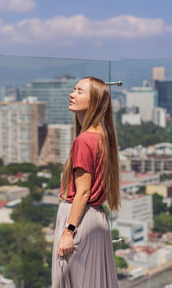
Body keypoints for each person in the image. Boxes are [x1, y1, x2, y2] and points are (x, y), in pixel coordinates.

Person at [52, 76, 120, 288]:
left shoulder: (84, 140)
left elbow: (83, 193)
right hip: (97, 220)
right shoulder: (104, 136)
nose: (72, 94)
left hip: (78, 218)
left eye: (80, 91)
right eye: (74, 89)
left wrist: (67, 231)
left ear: (95, 102)